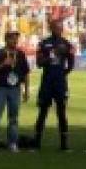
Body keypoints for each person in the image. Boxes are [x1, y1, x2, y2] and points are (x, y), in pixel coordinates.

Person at [32, 18, 75, 151]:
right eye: (57, 27)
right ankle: (37, 143)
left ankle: (64, 144)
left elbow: (71, 63)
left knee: (61, 112)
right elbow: (39, 63)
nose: (59, 30)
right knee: (42, 112)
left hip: (60, 83)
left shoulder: (66, 44)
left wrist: (63, 73)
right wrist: (51, 56)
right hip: (47, 82)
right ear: (51, 28)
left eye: (61, 27)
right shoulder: (44, 43)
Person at [0, 30, 30, 153]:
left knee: (13, 118)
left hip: (15, 89)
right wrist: (3, 64)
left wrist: (26, 90)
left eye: (16, 39)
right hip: (1, 88)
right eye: (12, 39)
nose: (15, 41)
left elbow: (26, 73)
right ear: (6, 40)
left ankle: (13, 143)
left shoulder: (20, 54)